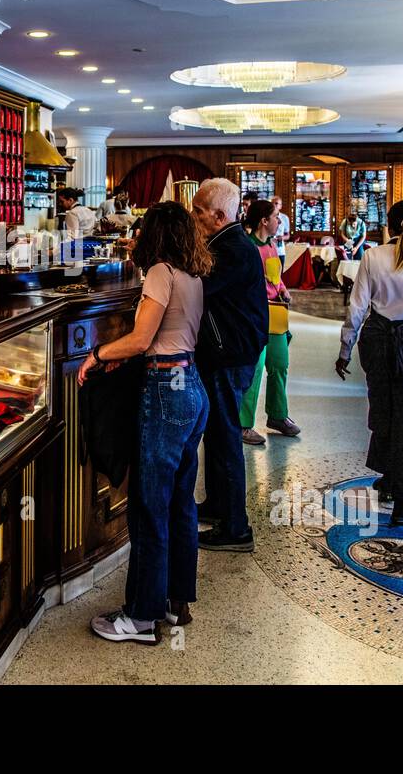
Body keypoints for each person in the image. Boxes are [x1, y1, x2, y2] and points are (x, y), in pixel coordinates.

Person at [80, 202, 212, 642]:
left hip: (164, 390)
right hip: (191, 385)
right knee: (180, 503)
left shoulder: (160, 272)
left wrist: (97, 355)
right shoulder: (192, 274)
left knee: (149, 508)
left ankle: (140, 616)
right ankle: (176, 603)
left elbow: (141, 340)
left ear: (155, 234)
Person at [335, 200, 403, 524]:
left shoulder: (372, 256)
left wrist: (344, 350)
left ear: (389, 225)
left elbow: (357, 308)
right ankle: (401, 499)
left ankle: (388, 478)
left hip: (377, 341)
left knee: (383, 410)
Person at [192, 178, 269, 552]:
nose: (194, 218)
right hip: (228, 352)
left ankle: (236, 528)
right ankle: (219, 505)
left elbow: (196, 288)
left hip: (229, 354)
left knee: (225, 438)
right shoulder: (225, 242)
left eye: (198, 212)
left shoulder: (232, 248)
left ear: (219, 216)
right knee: (217, 434)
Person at [240, 198, 301, 441]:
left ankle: (277, 414)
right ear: (264, 221)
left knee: (279, 365)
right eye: (276, 216)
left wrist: (283, 290)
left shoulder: (272, 245)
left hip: (276, 316)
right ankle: (243, 424)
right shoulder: (247, 248)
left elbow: (275, 278)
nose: (279, 221)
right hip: (257, 316)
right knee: (254, 371)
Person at [271, 195, 291, 267]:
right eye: (272, 203)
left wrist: (282, 237)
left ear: (280, 206)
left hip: (280, 250)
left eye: (276, 203)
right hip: (269, 249)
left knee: (280, 274)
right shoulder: (266, 217)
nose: (274, 205)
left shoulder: (284, 218)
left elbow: (287, 235)